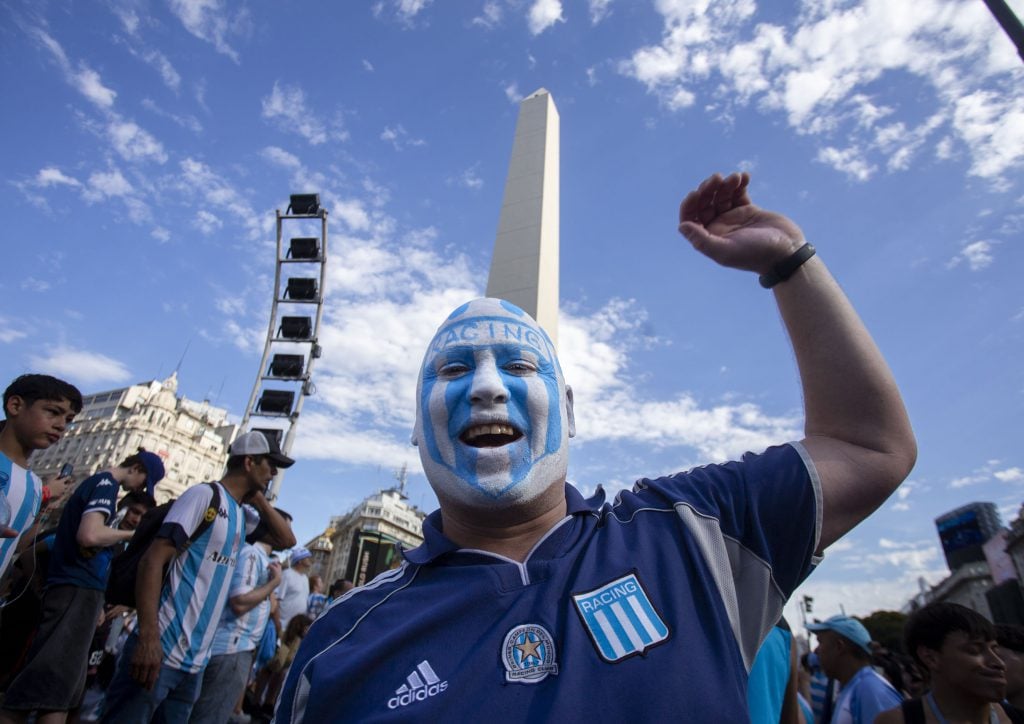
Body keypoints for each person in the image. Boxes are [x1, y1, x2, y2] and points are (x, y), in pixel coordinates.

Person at [276, 171, 917, 721]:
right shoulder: (338, 645)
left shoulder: (695, 535)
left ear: (571, 410)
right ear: (417, 427)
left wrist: (789, 265)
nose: (488, 388)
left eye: (522, 367)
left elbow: (869, 448)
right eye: (452, 372)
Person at [101, 431, 296, 723]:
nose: (273, 473)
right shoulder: (204, 496)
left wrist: (258, 499)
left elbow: (286, 540)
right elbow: (153, 561)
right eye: (269, 464)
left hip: (195, 663)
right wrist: (149, 638)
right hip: (161, 649)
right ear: (248, 462)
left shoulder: (241, 514)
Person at [0, 450, 166, 724]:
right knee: (43, 688)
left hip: (83, 594)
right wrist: (134, 535)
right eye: (142, 483)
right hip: (75, 589)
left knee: (61, 694)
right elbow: (89, 534)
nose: (137, 490)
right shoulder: (105, 484)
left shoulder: (104, 488)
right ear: (137, 468)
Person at [188, 511, 291, 724]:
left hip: (240, 650)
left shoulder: (264, 561)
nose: (288, 534)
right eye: (283, 526)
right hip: (231, 650)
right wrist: (273, 584)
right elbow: (239, 601)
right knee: (210, 716)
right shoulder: (251, 555)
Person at [876, 602, 1017, 724]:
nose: (998, 663)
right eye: (974, 650)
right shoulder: (898, 721)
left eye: (995, 650)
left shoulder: (1014, 717)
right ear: (930, 657)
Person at [0, 374, 81, 579]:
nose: (61, 425)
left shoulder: (34, 484)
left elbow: (18, 543)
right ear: (15, 406)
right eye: (53, 412)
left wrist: (44, 509)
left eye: (68, 420)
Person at [807, 615, 902, 723]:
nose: (816, 651)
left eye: (820, 642)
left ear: (839, 646)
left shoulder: (870, 690)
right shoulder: (856, 686)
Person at [276, 547, 312, 630]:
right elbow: (277, 600)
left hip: (296, 628)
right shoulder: (286, 574)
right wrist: (278, 624)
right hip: (283, 626)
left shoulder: (305, 578)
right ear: (299, 561)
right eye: (306, 557)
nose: (310, 559)